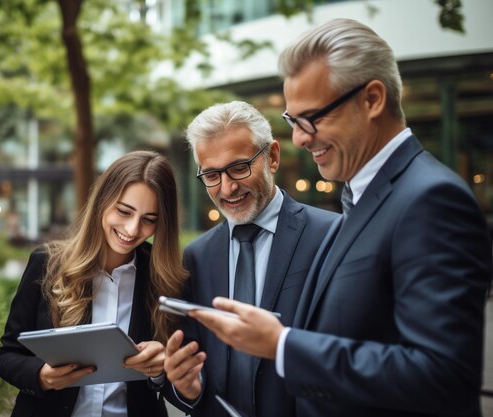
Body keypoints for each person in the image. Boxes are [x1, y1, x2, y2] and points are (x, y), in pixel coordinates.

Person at [189, 18, 493, 417]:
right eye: (293, 121)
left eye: (311, 117)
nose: (300, 137)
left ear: (372, 100)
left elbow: (442, 376)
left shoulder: (431, 199)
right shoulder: (363, 198)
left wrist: (282, 345)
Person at [162, 101, 337, 417]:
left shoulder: (331, 236)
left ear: (272, 156)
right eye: (212, 175)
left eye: (239, 167)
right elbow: (191, 380)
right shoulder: (196, 256)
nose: (227, 188)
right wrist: (186, 386)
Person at [0, 151, 188, 417]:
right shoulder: (46, 263)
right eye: (124, 211)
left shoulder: (164, 278)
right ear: (102, 201)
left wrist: (160, 369)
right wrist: (40, 376)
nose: (132, 229)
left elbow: (179, 379)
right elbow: (7, 356)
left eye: (149, 219)